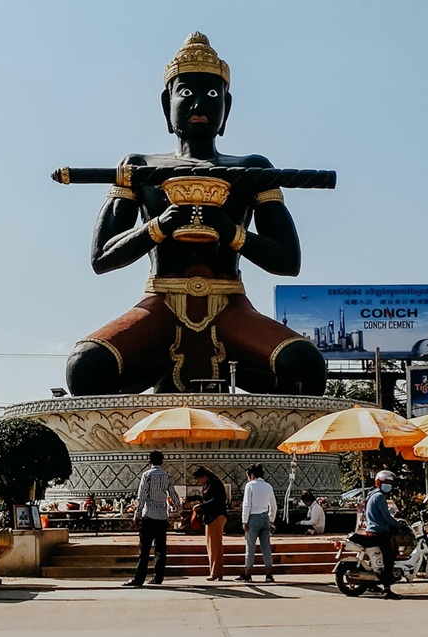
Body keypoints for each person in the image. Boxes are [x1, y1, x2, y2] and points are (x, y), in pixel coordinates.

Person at [65, 33, 326, 396]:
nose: (200, 103)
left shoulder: (252, 170)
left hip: (231, 307)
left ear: (227, 109)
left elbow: (287, 261)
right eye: (185, 93)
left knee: (304, 364)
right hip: (161, 304)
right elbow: (102, 258)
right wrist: (159, 226)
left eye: (213, 95)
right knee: (85, 366)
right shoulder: (139, 168)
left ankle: (290, 452)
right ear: (165, 104)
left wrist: (230, 231)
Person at [123, 451, 182, 587]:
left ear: (150, 461)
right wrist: (179, 509)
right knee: (160, 548)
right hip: (162, 516)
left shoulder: (147, 475)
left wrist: (136, 514)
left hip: (149, 515)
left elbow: (142, 496)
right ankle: (158, 577)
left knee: (144, 550)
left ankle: (139, 579)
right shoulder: (167, 475)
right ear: (162, 462)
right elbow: (173, 493)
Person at [350, 470, 408, 599]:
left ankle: (373, 583)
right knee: (389, 559)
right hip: (380, 532)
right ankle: (387, 589)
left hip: (373, 531)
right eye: (386, 483)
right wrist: (399, 525)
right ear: (378, 483)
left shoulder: (371, 495)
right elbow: (386, 517)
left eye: (390, 483)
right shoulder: (379, 497)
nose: (388, 485)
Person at [237, 463, 276, 583]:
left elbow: (247, 504)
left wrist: (244, 520)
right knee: (266, 547)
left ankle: (248, 574)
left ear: (252, 475)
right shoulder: (268, 486)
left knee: (250, 547)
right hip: (264, 517)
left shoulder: (250, 485)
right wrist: (271, 519)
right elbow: (273, 505)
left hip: (252, 518)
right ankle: (269, 574)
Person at [192, 466, 229, 581]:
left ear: (204, 476)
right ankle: (217, 572)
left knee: (215, 546)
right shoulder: (208, 484)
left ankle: (215, 572)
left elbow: (217, 500)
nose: (199, 482)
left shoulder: (215, 483)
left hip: (216, 516)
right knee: (211, 545)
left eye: (199, 479)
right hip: (210, 517)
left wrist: (201, 506)